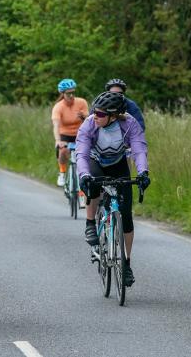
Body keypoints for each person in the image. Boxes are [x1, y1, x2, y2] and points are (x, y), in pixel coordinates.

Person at [76, 91, 150, 287]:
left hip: (118, 163)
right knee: (92, 185)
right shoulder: (90, 124)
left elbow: (139, 149)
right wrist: (84, 176)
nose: (95, 116)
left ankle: (126, 264)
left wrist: (143, 173)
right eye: (95, 112)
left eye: (101, 114)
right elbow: (82, 154)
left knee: (126, 215)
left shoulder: (129, 124)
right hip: (94, 160)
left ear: (114, 115)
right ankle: (90, 223)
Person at [51, 78, 89, 206]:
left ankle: (82, 192)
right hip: (65, 135)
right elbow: (56, 125)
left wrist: (83, 117)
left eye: (73, 92)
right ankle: (62, 172)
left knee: (84, 160)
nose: (71, 95)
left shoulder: (81, 102)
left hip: (80, 134)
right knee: (63, 151)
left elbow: (90, 121)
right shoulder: (59, 107)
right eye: (68, 93)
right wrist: (58, 141)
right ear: (63, 94)